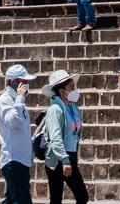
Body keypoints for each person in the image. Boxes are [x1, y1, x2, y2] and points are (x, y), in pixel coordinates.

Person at [40, 68, 87, 204]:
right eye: (71, 87)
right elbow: (55, 138)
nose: (74, 90)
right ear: (62, 91)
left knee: (79, 197)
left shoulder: (73, 108)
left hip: (70, 156)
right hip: (58, 159)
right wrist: (65, 160)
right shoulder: (55, 110)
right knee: (65, 198)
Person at [0, 63, 36, 204]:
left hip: (22, 160)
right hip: (13, 160)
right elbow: (11, 122)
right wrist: (19, 99)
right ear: (13, 82)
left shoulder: (19, 102)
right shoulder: (4, 101)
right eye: (23, 81)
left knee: (12, 200)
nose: (27, 84)